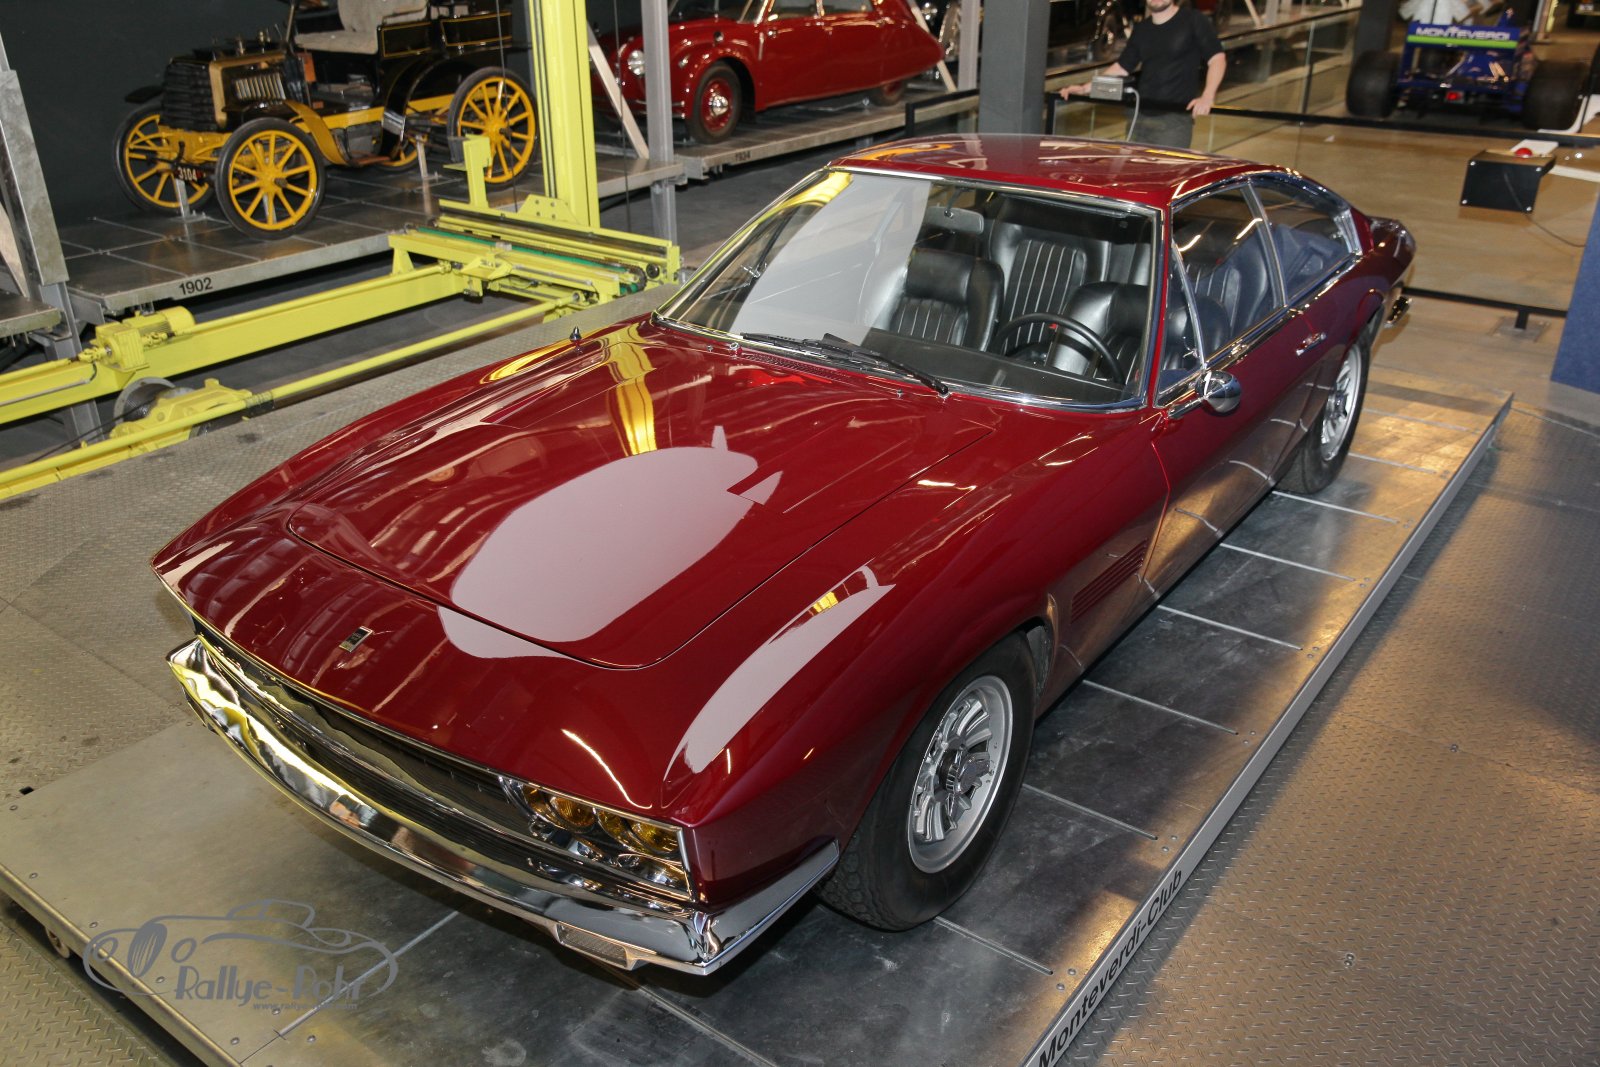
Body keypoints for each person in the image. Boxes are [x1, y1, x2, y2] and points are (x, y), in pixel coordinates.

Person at [1061, 0, 1227, 150]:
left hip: (1174, 121)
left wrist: (1207, 96)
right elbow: (1121, 68)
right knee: (1134, 171)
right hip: (1139, 118)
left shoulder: (1193, 20)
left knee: (1166, 172)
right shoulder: (1142, 29)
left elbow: (1217, 59)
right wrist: (1085, 88)